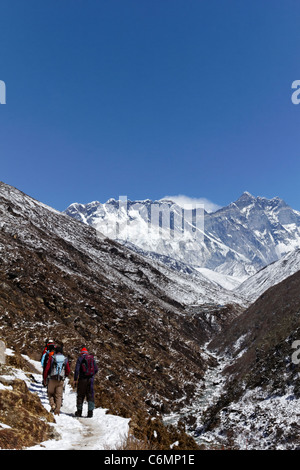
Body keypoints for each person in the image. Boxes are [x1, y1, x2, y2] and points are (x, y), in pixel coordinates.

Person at [43, 346, 70, 415]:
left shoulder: (52, 358)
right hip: (61, 379)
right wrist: (65, 375)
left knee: (50, 393)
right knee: (59, 395)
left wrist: (45, 378)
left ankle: (53, 405)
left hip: (52, 378)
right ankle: (57, 409)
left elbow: (47, 369)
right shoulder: (65, 359)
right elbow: (68, 370)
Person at [74, 347, 98, 418]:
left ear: (81, 352)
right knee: (90, 395)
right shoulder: (91, 358)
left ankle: (79, 412)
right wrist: (91, 375)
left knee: (80, 395)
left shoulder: (80, 358)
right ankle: (90, 412)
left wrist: (75, 379)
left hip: (82, 379)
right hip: (90, 380)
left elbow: (77, 369)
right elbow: (96, 369)